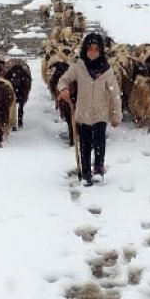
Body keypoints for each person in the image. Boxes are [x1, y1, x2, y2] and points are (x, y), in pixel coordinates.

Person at [57, 32, 122, 186]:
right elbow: (63, 80)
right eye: (90, 49)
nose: (93, 52)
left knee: (99, 141)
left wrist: (116, 115)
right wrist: (63, 89)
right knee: (84, 144)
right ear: (85, 49)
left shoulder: (107, 70)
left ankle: (98, 169)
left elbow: (115, 94)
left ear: (101, 51)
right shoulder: (79, 67)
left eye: (96, 49)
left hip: (100, 113)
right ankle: (86, 173)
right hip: (82, 113)